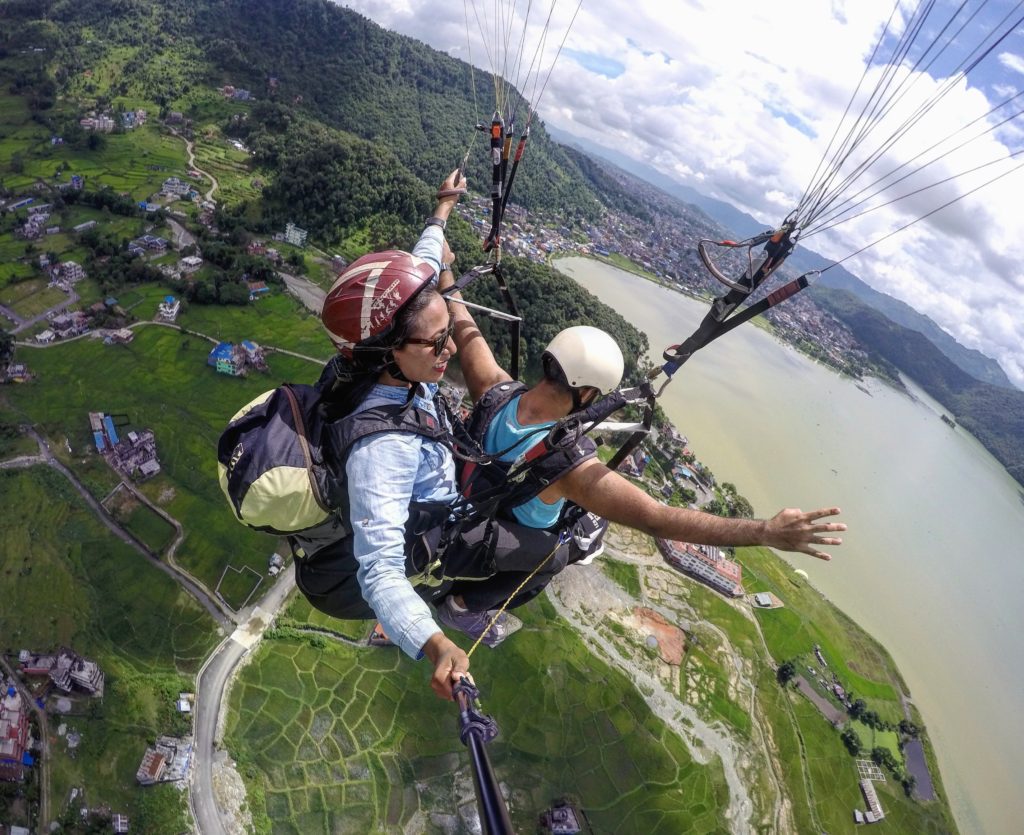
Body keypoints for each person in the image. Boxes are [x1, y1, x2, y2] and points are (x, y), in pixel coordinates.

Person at [433, 267, 847, 644]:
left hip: (462, 494)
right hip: (487, 529)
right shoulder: (569, 466)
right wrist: (764, 532)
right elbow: (658, 518)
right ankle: (465, 609)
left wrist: (444, 245)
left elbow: (465, 325)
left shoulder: (494, 388)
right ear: (590, 395)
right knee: (555, 554)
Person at [293, 169, 473, 700]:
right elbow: (379, 573)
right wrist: (437, 645)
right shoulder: (382, 449)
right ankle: (460, 604)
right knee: (537, 547)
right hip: (431, 526)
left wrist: (443, 208)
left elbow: (426, 262)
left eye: (449, 335)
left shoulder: (380, 358)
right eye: (437, 343)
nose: (451, 349)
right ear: (386, 352)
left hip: (432, 454)